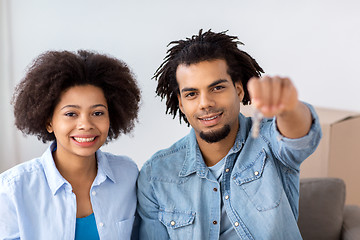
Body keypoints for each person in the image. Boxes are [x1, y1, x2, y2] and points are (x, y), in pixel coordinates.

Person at [137, 29, 322, 239]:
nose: (205, 103)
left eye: (217, 88)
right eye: (191, 94)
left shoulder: (268, 141)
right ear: (181, 103)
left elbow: (300, 137)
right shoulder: (155, 175)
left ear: (239, 90)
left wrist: (287, 105)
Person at [0, 50, 141, 239]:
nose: (86, 124)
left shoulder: (128, 174)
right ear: (49, 121)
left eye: (98, 113)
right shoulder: (13, 189)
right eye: (71, 114)